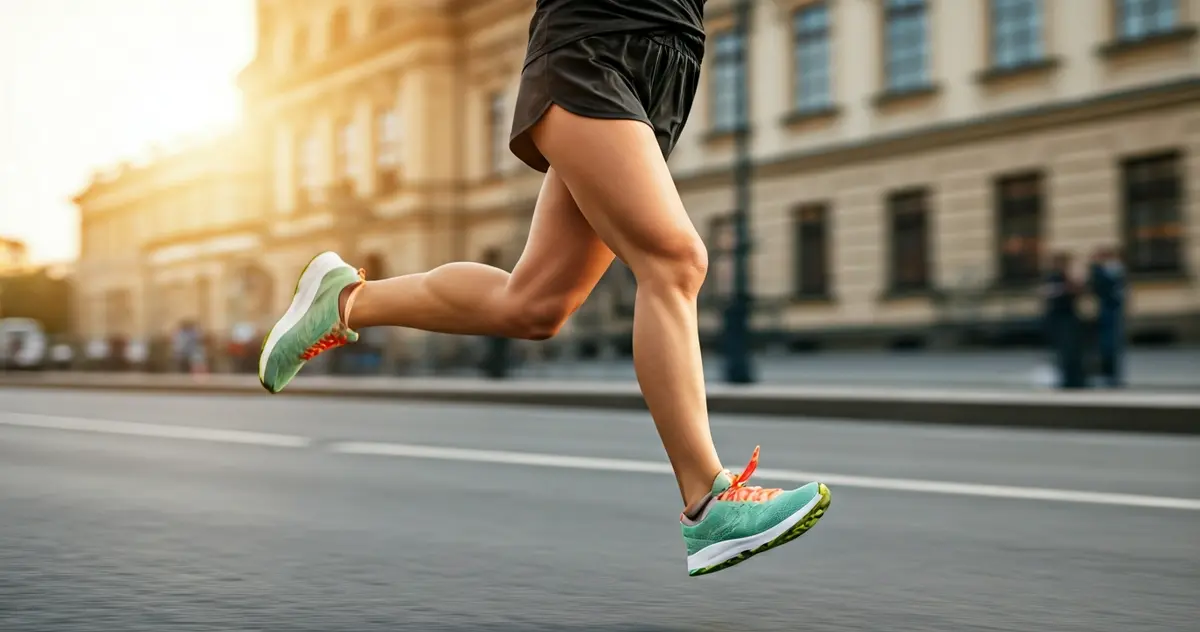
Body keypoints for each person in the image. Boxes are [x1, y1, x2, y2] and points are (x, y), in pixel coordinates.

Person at [258, 0, 831, 577]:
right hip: (597, 44)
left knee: (534, 305)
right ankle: (709, 500)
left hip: (665, 69)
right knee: (675, 261)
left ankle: (343, 301)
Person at [1042, 252, 1086, 389]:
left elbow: (1077, 291)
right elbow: (1052, 294)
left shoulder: (1066, 278)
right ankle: (1069, 379)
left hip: (1069, 316)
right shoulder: (1053, 278)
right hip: (1060, 318)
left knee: (1073, 350)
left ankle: (1075, 378)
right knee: (1066, 350)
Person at [1088, 246, 1127, 387]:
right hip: (1105, 311)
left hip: (1113, 311)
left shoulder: (1114, 270)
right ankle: (1107, 375)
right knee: (1106, 345)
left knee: (1113, 345)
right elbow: (1100, 289)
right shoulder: (1098, 271)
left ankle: (1112, 375)